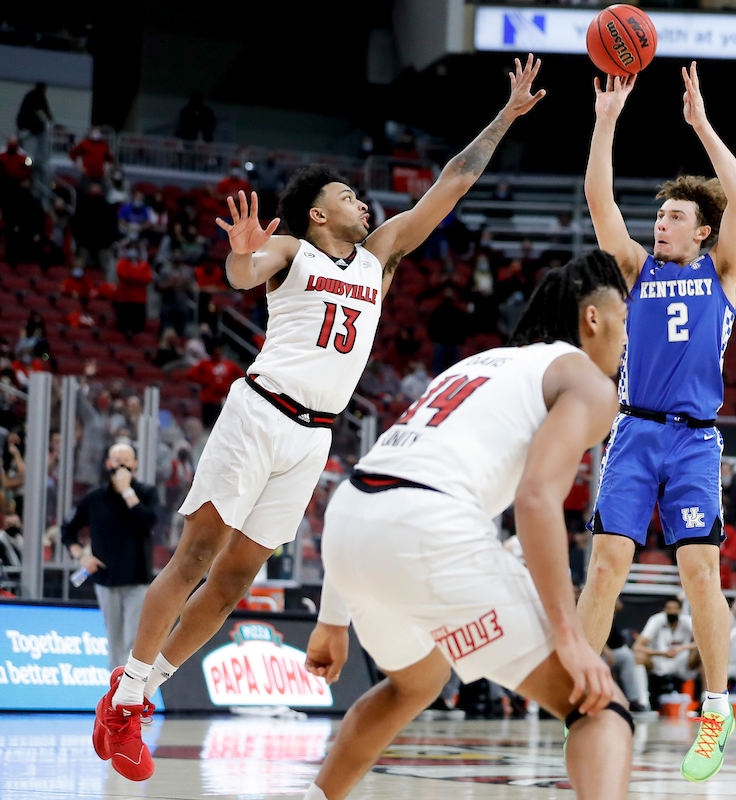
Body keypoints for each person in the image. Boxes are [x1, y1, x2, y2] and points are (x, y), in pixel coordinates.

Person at [93, 55, 548, 783]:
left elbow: (451, 184)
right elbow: (245, 270)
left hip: (311, 437)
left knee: (237, 579)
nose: (362, 204)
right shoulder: (293, 250)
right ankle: (123, 691)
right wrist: (241, 260)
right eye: (347, 195)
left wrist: (508, 115)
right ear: (317, 211)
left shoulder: (380, 258)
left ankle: (141, 695)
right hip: (260, 410)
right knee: (197, 556)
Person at [300, 250, 632, 800]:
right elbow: (536, 499)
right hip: (428, 527)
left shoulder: (477, 364)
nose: (629, 337)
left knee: (415, 681)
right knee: (598, 705)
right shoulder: (590, 384)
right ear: (593, 318)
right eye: (625, 317)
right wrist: (571, 639)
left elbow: (386, 474)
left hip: (351, 521)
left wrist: (334, 620)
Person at [575, 64, 736, 783]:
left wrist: (702, 124)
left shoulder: (722, 270)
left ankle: (716, 707)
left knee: (698, 568)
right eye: (662, 215)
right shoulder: (637, 267)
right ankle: (584, 701)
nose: (663, 221)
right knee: (607, 565)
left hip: (692, 438)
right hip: (634, 430)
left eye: (676, 215)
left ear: (702, 231)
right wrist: (607, 118)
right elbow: (600, 202)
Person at [61, 444, 157, 671]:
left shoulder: (146, 493)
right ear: (108, 464)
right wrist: (81, 556)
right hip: (107, 580)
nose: (121, 466)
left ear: (135, 465)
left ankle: (132, 691)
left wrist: (127, 492)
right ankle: (115, 693)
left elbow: (148, 522)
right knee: (114, 641)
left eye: (126, 461)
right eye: (116, 461)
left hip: (137, 580)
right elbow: (68, 529)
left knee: (133, 641)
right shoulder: (95, 498)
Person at [635, 598, 698, 702]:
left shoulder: (687, 621)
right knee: (638, 657)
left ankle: (707, 696)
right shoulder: (656, 620)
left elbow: (704, 643)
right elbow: (637, 647)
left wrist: (683, 647)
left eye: (675, 609)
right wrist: (662, 653)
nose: (672, 611)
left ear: (680, 611)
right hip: (659, 661)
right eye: (669, 609)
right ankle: (642, 700)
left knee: (703, 654)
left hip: (682, 661)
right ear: (664, 610)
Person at [186, 346, 245, 427]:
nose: (218, 352)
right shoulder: (204, 363)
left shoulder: (229, 364)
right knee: (208, 422)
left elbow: (242, 376)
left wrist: (234, 386)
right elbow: (191, 375)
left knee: (223, 421)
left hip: (225, 397)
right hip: (208, 398)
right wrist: (205, 380)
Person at [114, 244, 154, 336]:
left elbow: (147, 278)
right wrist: (137, 275)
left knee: (138, 330)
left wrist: (133, 275)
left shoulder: (145, 265)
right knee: (122, 329)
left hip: (139, 301)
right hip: (124, 300)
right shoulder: (122, 263)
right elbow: (125, 275)